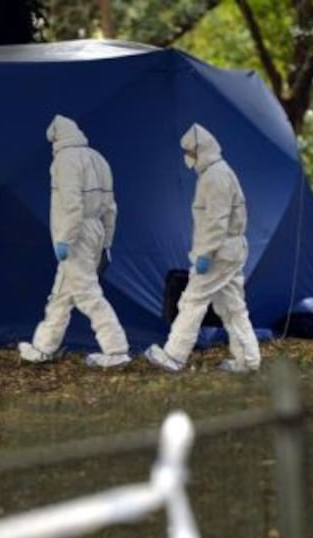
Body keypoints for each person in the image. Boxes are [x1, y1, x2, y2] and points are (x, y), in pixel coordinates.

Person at [144, 123, 261, 373]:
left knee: (192, 300)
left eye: (189, 152)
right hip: (229, 251)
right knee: (232, 307)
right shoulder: (217, 173)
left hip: (218, 253)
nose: (188, 157)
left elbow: (216, 221)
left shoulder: (215, 177)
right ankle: (249, 360)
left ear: (201, 150)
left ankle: (174, 356)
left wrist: (205, 254)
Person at [18, 115, 131, 368]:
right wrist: (106, 243)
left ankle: (116, 350)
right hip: (95, 230)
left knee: (87, 293)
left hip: (75, 234)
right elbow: (111, 207)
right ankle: (44, 346)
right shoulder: (98, 158)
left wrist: (65, 239)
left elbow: (71, 204)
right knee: (61, 295)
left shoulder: (65, 160)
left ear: (56, 139)